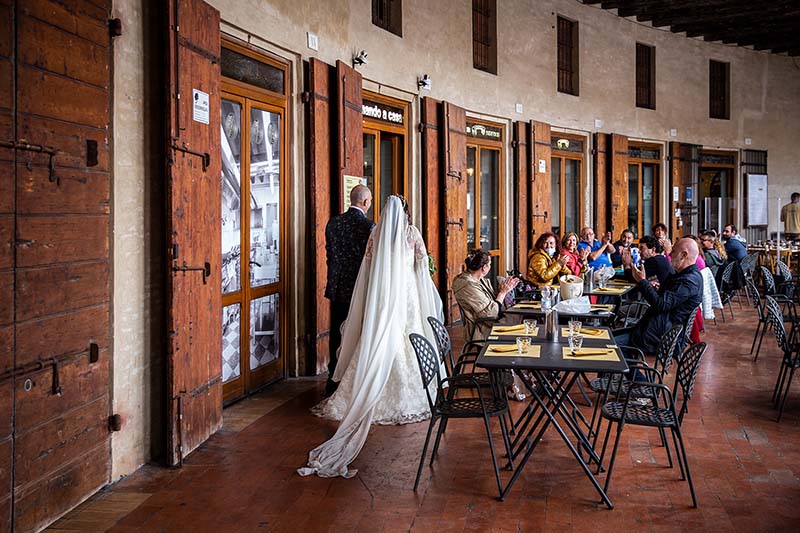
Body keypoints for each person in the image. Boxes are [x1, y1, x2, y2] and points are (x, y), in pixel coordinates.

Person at [299, 196, 443, 478]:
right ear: (405, 212)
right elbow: (422, 266)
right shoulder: (410, 233)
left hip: (381, 300)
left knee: (376, 340)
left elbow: (366, 269)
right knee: (408, 341)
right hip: (407, 296)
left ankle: (361, 391)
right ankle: (409, 394)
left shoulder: (375, 232)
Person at [324, 185, 375, 396]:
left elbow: (330, 255)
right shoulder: (369, 227)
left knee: (337, 331)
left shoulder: (333, 223)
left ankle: (333, 377)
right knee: (357, 332)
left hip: (337, 286)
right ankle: (352, 379)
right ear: (365, 202)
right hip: (359, 288)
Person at [615, 238, 703, 354]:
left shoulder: (689, 281)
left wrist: (642, 281)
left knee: (608, 346)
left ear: (683, 255)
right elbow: (668, 299)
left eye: (674, 251)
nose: (670, 253)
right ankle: (630, 370)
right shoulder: (685, 275)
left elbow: (661, 304)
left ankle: (630, 371)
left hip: (659, 337)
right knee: (609, 336)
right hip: (654, 329)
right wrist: (655, 288)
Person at [453, 249, 520, 341]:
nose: (490, 267)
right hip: (483, 329)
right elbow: (491, 313)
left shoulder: (478, 279)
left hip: (489, 322)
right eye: (490, 264)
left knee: (523, 319)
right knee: (524, 325)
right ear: (484, 267)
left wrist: (503, 290)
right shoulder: (468, 285)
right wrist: (503, 292)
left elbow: (491, 303)